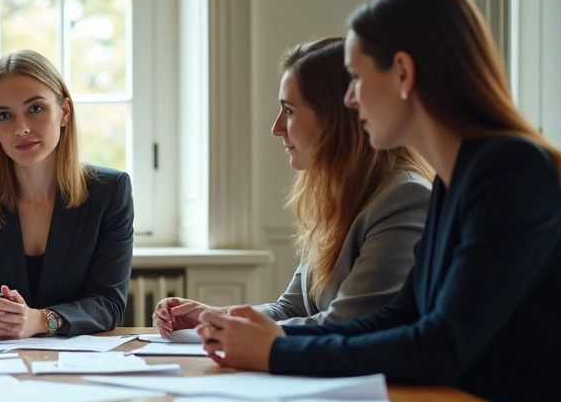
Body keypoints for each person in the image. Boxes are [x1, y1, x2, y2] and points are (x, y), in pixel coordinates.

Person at [194, 0, 561, 402]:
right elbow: (399, 317)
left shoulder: (513, 172)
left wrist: (276, 353)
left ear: (404, 74)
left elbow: (440, 345)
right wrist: (278, 339)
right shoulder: (459, 178)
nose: (350, 100)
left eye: (357, 78)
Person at [155, 37, 432, 335]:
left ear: (336, 118)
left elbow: (351, 323)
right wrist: (214, 317)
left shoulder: (404, 197)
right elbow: (292, 308)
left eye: (289, 110)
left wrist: (236, 332)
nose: (276, 128)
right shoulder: (336, 196)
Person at [0, 50, 134, 340]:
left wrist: (41, 320)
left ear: (64, 112)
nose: (21, 129)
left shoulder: (109, 191)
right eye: (4, 116)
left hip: (76, 368)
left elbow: (108, 302)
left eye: (35, 109)